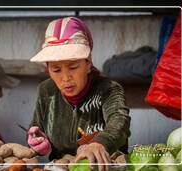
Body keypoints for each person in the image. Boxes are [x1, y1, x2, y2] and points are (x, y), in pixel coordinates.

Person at [27, 17, 131, 171]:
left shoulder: (108, 88)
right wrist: (37, 139)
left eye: (73, 67)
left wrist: (100, 143)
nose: (65, 78)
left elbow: (120, 121)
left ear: (88, 64)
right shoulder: (46, 90)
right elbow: (36, 127)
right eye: (56, 69)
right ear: (47, 69)